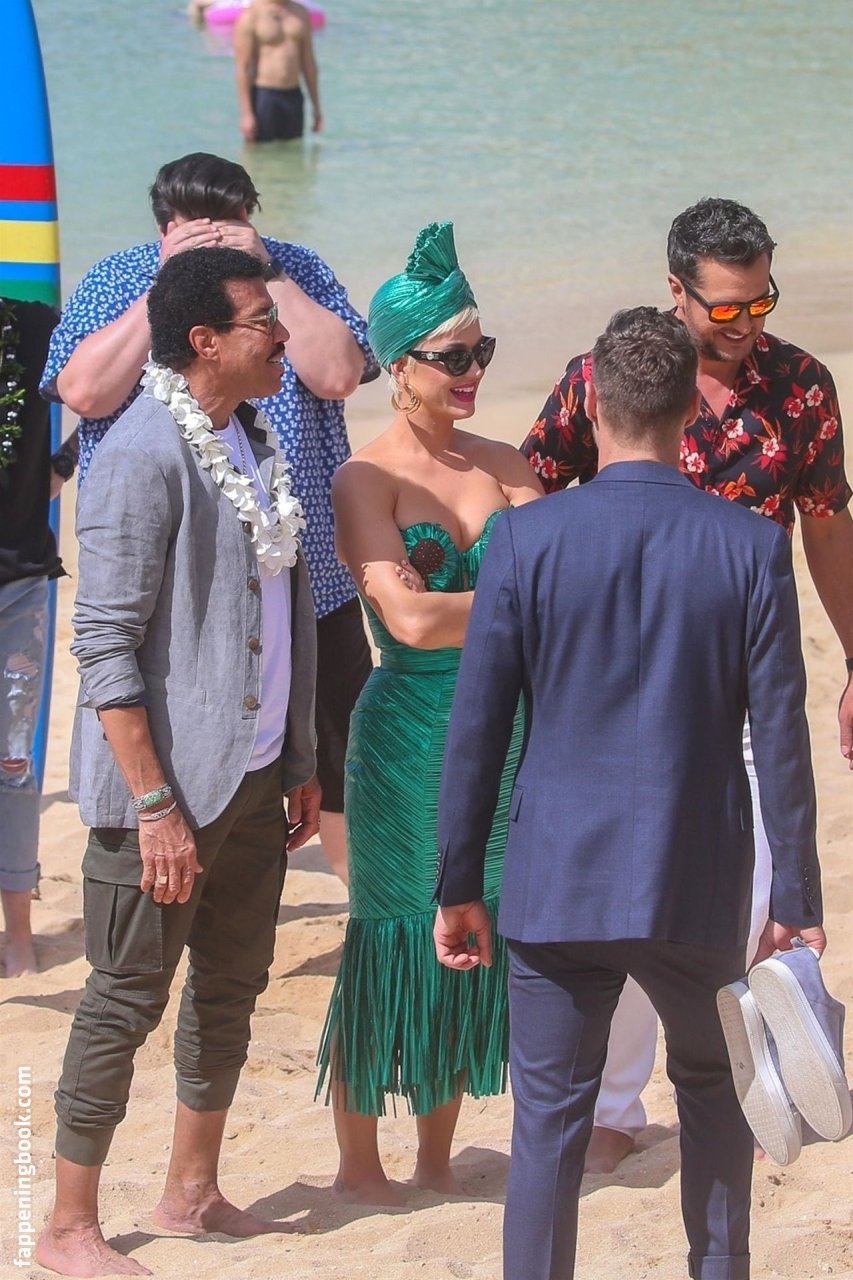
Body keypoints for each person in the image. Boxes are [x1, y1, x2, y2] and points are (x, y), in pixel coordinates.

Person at [435, 306, 825, 1280]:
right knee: (716, 1092)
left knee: (547, 1123)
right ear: (691, 411)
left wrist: (458, 883)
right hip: (697, 877)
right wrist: (795, 898)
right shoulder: (748, 544)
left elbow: (477, 729)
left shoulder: (525, 540)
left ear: (591, 409)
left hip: (557, 878)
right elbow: (781, 735)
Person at [520, 196, 853, 1173]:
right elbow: (528, 492)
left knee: (747, 890)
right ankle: (613, 1107)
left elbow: (826, 523)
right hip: (614, 682)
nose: (746, 324)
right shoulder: (605, 378)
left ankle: (739, 1077)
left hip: (745, 678)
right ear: (676, 291)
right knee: (625, 894)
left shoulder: (800, 385)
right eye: (725, 308)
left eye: (761, 302)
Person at [35, 247, 320, 1278]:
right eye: (263, 324)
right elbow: (105, 643)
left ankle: (192, 1192)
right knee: (124, 996)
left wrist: (297, 755)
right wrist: (153, 802)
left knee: (232, 985)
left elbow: (281, 613)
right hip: (163, 789)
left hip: (254, 772)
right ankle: (67, 1226)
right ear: (205, 341)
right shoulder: (138, 455)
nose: (282, 338)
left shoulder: (254, 437)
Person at [41, 151, 377, 886]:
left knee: (341, 754)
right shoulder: (117, 277)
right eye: (198, 227)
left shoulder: (295, 269)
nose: (219, 238)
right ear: (165, 227)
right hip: (181, 586)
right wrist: (167, 289)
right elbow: (83, 393)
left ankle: (361, 909)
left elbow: (339, 374)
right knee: (195, 745)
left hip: (307, 574)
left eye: (234, 221)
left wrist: (270, 275)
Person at [315, 222, 542, 1205]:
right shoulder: (363, 477)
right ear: (397, 365)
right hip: (405, 735)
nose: (472, 371)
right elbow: (404, 618)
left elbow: (557, 599)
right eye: (452, 356)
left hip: (506, 728)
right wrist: (510, 603)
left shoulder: (508, 463)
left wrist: (474, 609)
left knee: (472, 926)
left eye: (480, 350)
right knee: (391, 934)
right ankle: (359, 1166)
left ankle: (437, 1160)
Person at [0, 296, 77, 978]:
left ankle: (18, 934)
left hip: (17, 580)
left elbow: (133, 369)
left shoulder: (31, 325)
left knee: (13, 761)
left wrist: (64, 465)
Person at [235, 0, 322, 143]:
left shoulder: (300, 13)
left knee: (293, 149)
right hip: (264, 95)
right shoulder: (251, 15)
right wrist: (247, 114)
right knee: (259, 149)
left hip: (293, 94)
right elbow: (244, 67)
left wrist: (316, 107)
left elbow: (309, 64)